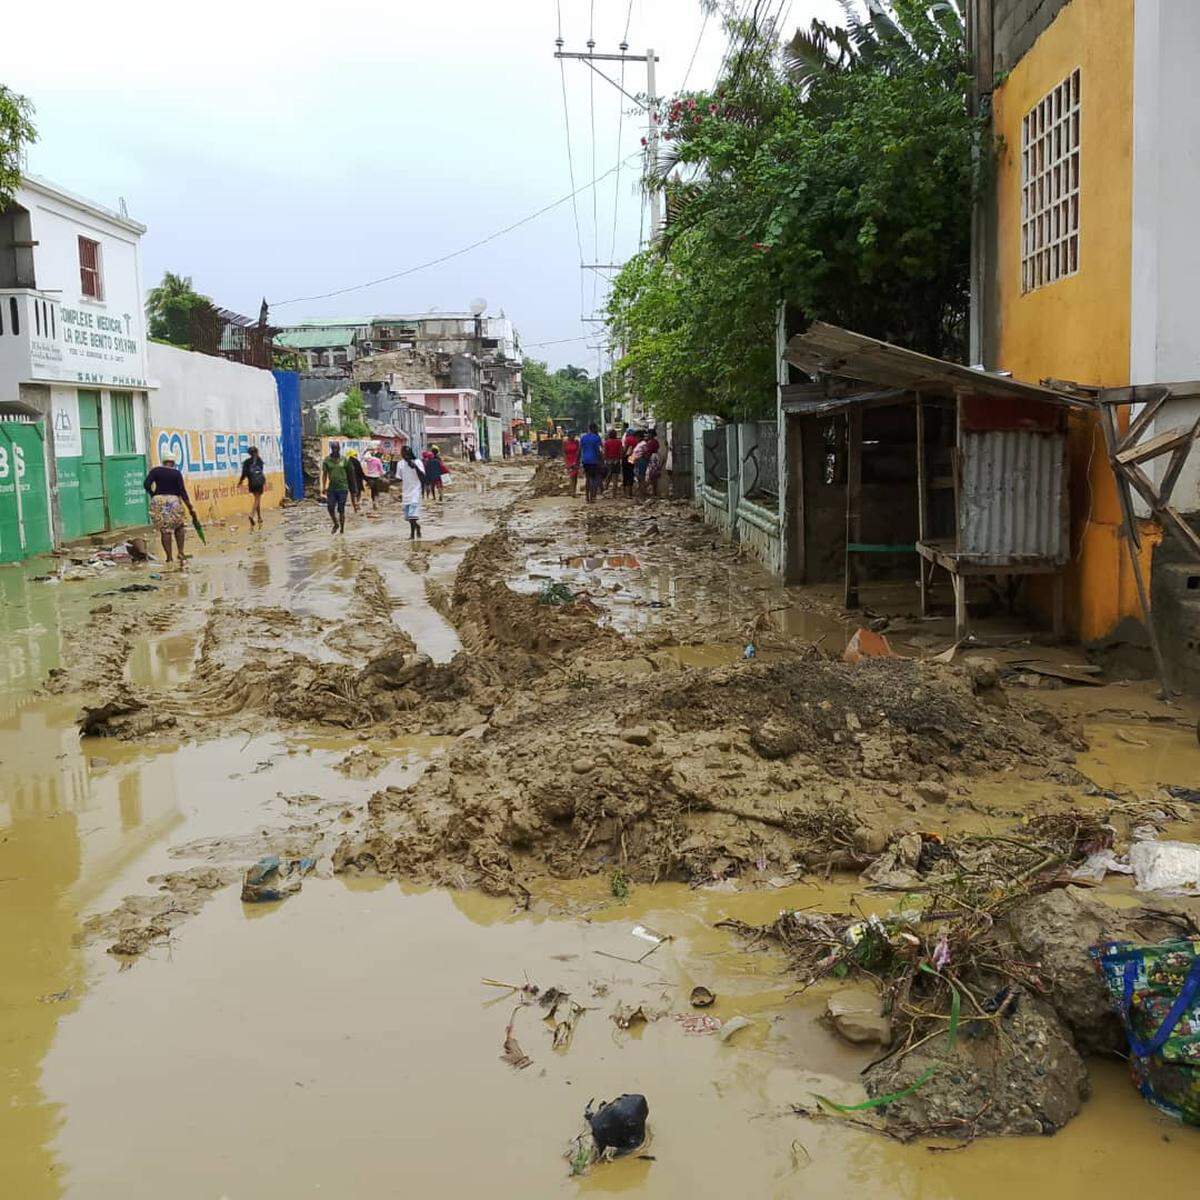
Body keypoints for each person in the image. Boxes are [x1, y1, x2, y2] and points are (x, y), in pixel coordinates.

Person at [143, 455, 197, 567]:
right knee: (179, 526)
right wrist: (190, 508)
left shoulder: (155, 471)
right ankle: (181, 553)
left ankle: (169, 558)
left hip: (159, 501)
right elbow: (182, 491)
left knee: (165, 530)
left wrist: (153, 494)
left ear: (163, 461)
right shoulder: (176, 473)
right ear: (173, 462)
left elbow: (146, 484)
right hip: (174, 501)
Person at [397, 444, 426, 539]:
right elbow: (399, 478)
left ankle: (412, 535)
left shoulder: (418, 462)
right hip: (406, 492)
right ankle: (417, 527)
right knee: (408, 518)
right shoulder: (400, 464)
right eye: (404, 453)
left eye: (407, 453)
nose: (405, 455)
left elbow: (423, 476)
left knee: (413, 515)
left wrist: (415, 467)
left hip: (415, 492)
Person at [321, 442, 350, 535]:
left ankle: (342, 530)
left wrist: (352, 487)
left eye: (336, 448)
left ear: (339, 448)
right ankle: (336, 523)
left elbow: (349, 474)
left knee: (341, 509)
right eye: (333, 448)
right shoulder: (327, 460)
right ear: (331, 448)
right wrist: (324, 486)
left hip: (343, 488)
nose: (335, 450)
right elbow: (324, 474)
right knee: (330, 507)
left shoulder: (344, 460)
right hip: (332, 488)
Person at [237, 445, 267, 529]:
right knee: (257, 499)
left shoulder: (247, 462)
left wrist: (240, 482)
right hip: (259, 482)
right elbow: (261, 471)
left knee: (257, 499)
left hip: (252, 483)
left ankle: (259, 517)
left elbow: (244, 474)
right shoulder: (259, 461)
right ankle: (252, 514)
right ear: (257, 452)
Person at [579, 422, 603, 503]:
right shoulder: (597, 438)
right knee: (594, 479)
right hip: (594, 461)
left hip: (585, 461)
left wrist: (577, 461)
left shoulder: (583, 438)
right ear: (595, 429)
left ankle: (587, 497)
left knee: (588, 478)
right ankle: (593, 496)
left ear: (589, 429)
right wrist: (601, 460)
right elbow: (600, 450)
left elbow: (580, 450)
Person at [603, 428, 624, 496]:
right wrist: (619, 459)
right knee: (615, 478)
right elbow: (621, 452)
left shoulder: (606, 442)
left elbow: (605, 453)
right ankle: (614, 494)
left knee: (608, 477)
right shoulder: (619, 442)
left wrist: (605, 460)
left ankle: (605, 492)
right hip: (616, 461)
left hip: (609, 462)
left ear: (609, 435)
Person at [630, 432, 651, 498]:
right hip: (637, 461)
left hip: (641, 461)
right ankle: (641, 493)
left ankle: (643, 494)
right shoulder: (639, 444)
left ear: (639, 437)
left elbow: (646, 453)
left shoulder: (643, 444)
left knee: (641, 477)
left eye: (636, 437)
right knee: (639, 478)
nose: (635, 439)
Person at [345, 448, 366, 514]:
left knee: (352, 493)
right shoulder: (357, 462)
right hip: (358, 480)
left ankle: (355, 507)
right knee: (358, 492)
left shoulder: (347, 462)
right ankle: (358, 504)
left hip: (350, 480)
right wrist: (365, 478)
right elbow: (360, 471)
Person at [621, 425, 639, 498]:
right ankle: (630, 492)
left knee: (625, 473)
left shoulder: (627, 439)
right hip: (633, 457)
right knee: (631, 473)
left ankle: (625, 492)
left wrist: (622, 455)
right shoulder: (636, 439)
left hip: (627, 457)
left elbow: (625, 449)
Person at [645, 427, 663, 498]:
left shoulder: (651, 442)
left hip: (652, 459)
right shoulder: (655, 441)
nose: (648, 435)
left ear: (651, 434)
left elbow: (648, 452)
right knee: (654, 476)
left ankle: (650, 491)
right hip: (655, 458)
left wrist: (646, 458)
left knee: (651, 476)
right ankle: (654, 492)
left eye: (649, 434)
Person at [562, 430, 581, 496]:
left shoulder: (576, 442)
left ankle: (573, 490)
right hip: (568, 459)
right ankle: (572, 491)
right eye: (572, 435)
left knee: (575, 476)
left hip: (575, 459)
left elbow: (579, 451)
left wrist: (577, 461)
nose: (573, 436)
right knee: (572, 475)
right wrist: (566, 462)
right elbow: (564, 452)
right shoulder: (565, 442)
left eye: (574, 435)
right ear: (569, 435)